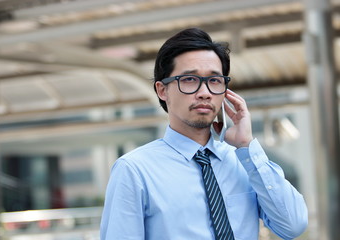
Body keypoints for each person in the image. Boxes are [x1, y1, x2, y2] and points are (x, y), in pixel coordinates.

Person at [100, 28, 308, 240]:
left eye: (214, 81)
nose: (205, 92)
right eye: (190, 79)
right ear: (162, 90)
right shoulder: (135, 170)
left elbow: (293, 225)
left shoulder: (243, 162)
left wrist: (246, 145)